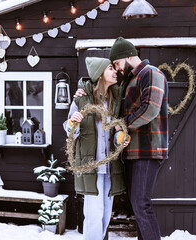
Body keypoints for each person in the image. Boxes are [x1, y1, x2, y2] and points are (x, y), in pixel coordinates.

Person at [75, 38, 169, 240]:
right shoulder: (129, 79)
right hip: (131, 151)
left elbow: (150, 109)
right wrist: (82, 91)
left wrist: (122, 124)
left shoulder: (151, 73)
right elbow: (99, 88)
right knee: (137, 205)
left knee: (141, 204)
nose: (116, 69)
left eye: (116, 64)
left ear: (127, 56)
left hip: (148, 149)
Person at [64, 57, 128, 240]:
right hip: (90, 167)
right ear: (99, 75)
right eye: (110, 68)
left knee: (105, 216)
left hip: (109, 168)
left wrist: (120, 138)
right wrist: (72, 122)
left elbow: (116, 131)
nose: (115, 71)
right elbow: (69, 131)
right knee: (93, 216)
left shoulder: (114, 100)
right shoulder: (82, 99)